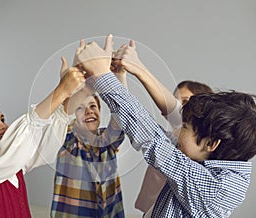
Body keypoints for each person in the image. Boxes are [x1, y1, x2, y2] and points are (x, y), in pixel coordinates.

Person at [74, 34, 256, 217]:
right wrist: (117, 76)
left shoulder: (218, 189)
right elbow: (149, 127)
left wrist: (102, 75)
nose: (176, 131)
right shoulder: (204, 157)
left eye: (184, 126)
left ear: (211, 143)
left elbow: (152, 139)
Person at [0, 59, 85, 218]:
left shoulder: (13, 163)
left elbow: (47, 144)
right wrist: (61, 91)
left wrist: (82, 86)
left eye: (2, 119)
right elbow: (25, 132)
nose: (3, 125)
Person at [112, 40, 214, 213]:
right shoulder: (169, 138)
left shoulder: (198, 148)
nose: (180, 108)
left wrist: (137, 67)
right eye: (176, 100)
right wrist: (120, 75)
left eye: (185, 102)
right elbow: (127, 109)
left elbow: (173, 111)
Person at [50, 56, 126, 218]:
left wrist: (119, 78)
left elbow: (122, 115)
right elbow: (63, 115)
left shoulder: (107, 142)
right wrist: (67, 89)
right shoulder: (67, 140)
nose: (89, 111)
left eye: (93, 106)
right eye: (80, 108)